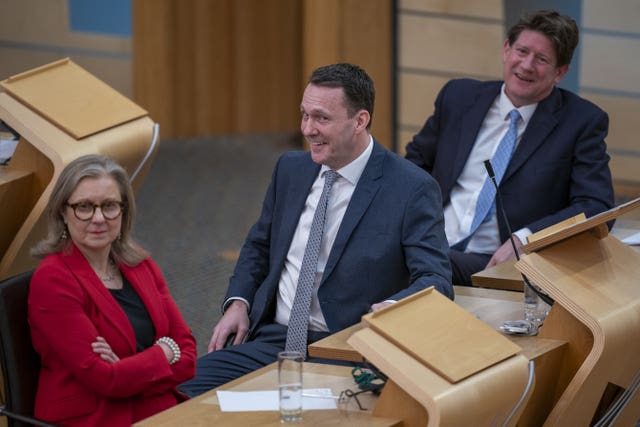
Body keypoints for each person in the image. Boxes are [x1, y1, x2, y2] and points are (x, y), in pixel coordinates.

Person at [178, 63, 452, 397]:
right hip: (273, 340)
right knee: (176, 389)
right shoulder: (290, 168)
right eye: (304, 115)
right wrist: (239, 303)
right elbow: (260, 246)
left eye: (321, 118)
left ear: (360, 121)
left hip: (347, 349)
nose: (308, 129)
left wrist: (394, 308)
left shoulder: (411, 188)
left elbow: (436, 281)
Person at [405, 10, 614, 286]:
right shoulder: (458, 97)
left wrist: (526, 238)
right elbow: (414, 166)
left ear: (560, 72)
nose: (526, 65)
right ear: (506, 49)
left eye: (541, 59)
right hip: (430, 243)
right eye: (521, 51)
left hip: (493, 261)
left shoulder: (581, 123)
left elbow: (596, 207)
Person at [28, 154, 197, 426]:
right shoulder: (53, 279)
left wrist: (128, 370)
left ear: (123, 211)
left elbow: (188, 355)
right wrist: (163, 352)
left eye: (109, 206)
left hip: (154, 408)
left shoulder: (140, 264)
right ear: (63, 211)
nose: (98, 218)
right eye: (84, 207)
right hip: (94, 418)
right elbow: (106, 379)